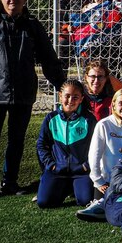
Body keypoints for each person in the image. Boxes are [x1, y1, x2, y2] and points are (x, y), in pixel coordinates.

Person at [0, 0, 65, 201]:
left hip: (23, 93)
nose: (12, 0)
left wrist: (61, 84)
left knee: (17, 139)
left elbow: (48, 57)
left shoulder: (32, 25)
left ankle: (9, 182)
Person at [79, 87, 122, 221]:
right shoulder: (103, 125)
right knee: (110, 202)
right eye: (121, 103)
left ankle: (111, 207)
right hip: (106, 181)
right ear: (113, 104)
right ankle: (100, 205)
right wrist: (98, 180)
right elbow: (94, 155)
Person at [36, 80, 97, 209]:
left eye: (75, 97)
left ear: (81, 99)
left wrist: (86, 166)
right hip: (58, 170)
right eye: (67, 96)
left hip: (81, 171)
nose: (70, 100)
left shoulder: (89, 119)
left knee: (85, 200)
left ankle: (74, 185)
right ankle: (64, 185)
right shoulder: (51, 119)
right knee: (44, 202)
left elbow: (97, 147)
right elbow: (41, 145)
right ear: (60, 96)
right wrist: (51, 165)